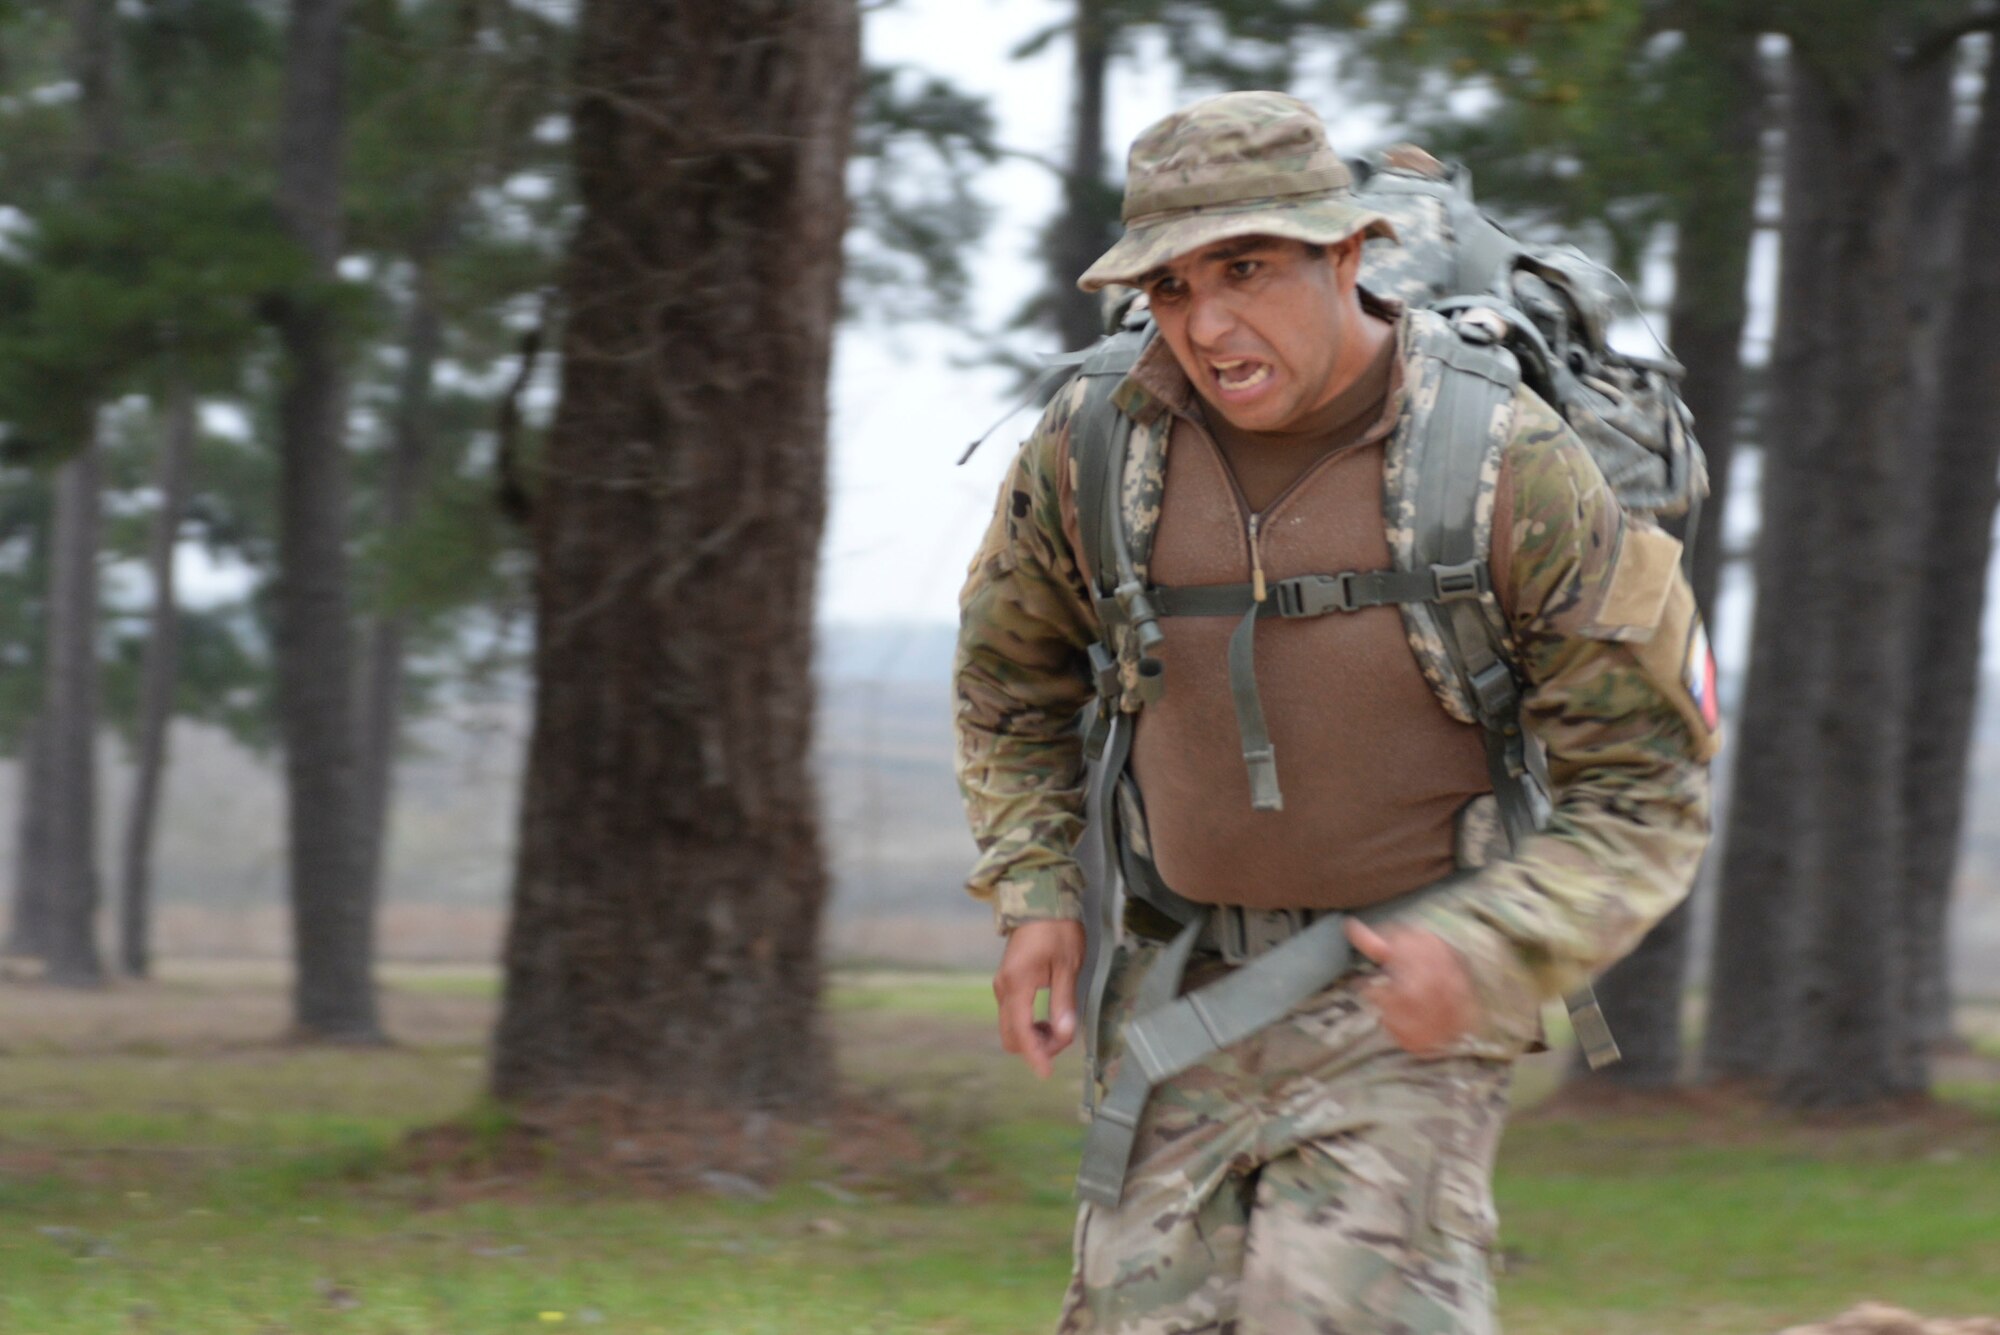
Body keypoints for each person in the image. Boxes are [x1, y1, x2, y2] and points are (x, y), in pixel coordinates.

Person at [954, 90, 1717, 1335]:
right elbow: (1008, 679)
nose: (1207, 324)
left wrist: (1490, 949)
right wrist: (1035, 890)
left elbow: (1647, 789)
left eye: (1245, 269)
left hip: (1403, 1008)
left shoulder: (1504, 461)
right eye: (1169, 288)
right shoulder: (1095, 444)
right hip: (1178, 987)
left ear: (1346, 254)